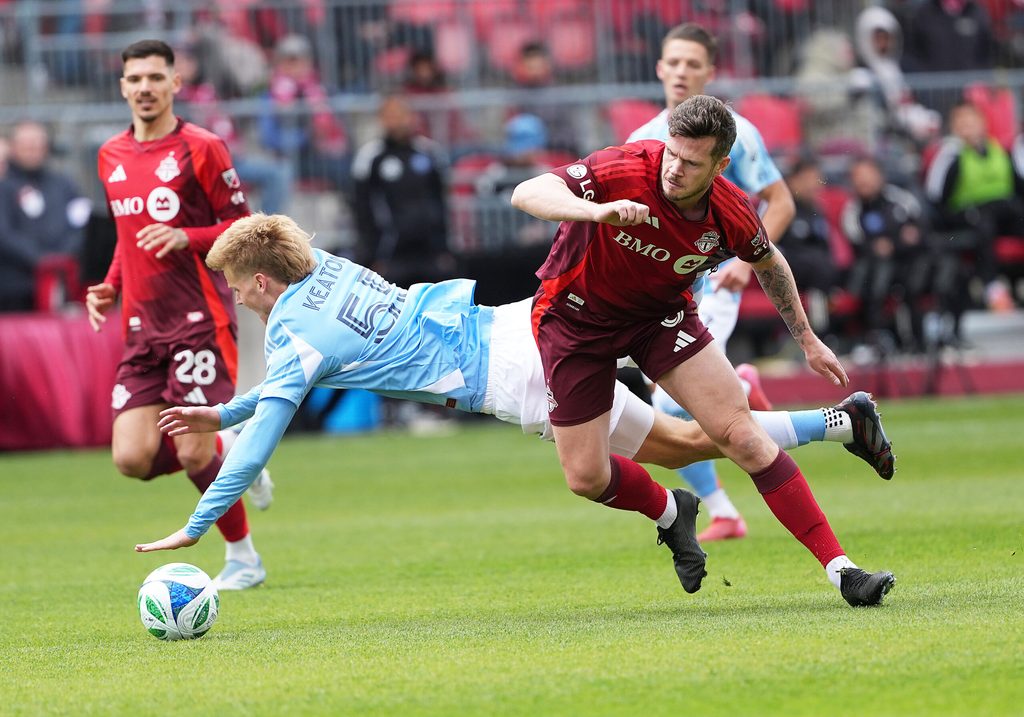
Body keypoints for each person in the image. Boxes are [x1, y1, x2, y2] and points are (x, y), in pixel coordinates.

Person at [135, 213, 896, 609]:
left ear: (263, 281)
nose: (235, 296)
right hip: (511, 323)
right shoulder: (326, 268)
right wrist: (221, 412)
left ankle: (671, 516)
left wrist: (198, 522)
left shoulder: (297, 332)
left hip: (509, 369)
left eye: (236, 284)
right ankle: (842, 420)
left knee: (589, 474)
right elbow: (263, 404)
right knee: (683, 438)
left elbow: (267, 431)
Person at [511, 95, 895, 605]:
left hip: (659, 320)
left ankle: (842, 570)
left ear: (720, 165)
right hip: (574, 322)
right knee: (585, 476)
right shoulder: (628, 167)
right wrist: (595, 211)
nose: (674, 168)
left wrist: (807, 339)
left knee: (742, 438)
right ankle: (674, 510)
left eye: (692, 162)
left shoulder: (731, 210)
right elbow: (527, 191)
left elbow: (769, 262)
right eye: (672, 153)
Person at [84, 39, 271, 591]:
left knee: (190, 448)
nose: (144, 87)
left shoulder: (203, 147)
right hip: (141, 328)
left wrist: (185, 235)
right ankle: (232, 454)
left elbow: (244, 227)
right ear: (122, 86)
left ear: (174, 84)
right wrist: (112, 285)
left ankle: (243, 559)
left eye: (154, 78)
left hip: (198, 319)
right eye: (134, 78)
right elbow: (128, 238)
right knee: (133, 458)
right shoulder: (110, 155)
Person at [626, 23, 797, 542]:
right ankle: (741, 386)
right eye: (673, 62)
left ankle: (723, 511)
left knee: (671, 407)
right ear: (659, 69)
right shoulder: (641, 141)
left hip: (714, 280)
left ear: (710, 72)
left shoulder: (737, 134)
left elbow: (781, 201)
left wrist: (746, 262)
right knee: (672, 407)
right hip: (663, 292)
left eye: (692, 64)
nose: (681, 72)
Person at [924, 102, 1022, 312]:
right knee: (983, 224)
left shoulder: (1001, 150)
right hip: (967, 213)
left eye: (971, 121)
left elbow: (1018, 186)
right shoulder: (951, 155)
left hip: (1001, 209)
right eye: (961, 122)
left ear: (983, 123)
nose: (967, 126)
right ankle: (992, 289)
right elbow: (935, 197)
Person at [350, 94, 455, 288]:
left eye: (400, 115)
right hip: (390, 254)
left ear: (411, 117)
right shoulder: (370, 158)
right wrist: (371, 255)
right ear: (381, 120)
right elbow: (362, 209)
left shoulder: (430, 153)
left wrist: (444, 248)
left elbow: (440, 203)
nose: (396, 121)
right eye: (390, 116)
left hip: (429, 252)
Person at [842, 156, 931, 352]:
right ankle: (876, 339)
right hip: (874, 269)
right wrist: (883, 244)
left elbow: (918, 230)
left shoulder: (900, 199)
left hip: (907, 262)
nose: (863, 181)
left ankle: (920, 341)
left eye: (868, 175)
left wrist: (894, 243)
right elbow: (858, 241)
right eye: (858, 176)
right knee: (875, 277)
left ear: (880, 176)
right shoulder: (852, 209)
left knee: (919, 276)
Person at [0, 121, 91, 312]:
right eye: (26, 144)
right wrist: (41, 259)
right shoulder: (4, 186)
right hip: (16, 288)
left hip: (63, 280)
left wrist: (63, 256)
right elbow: (5, 234)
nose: (32, 149)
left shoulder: (64, 184)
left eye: (37, 143)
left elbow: (81, 222)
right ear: (13, 147)